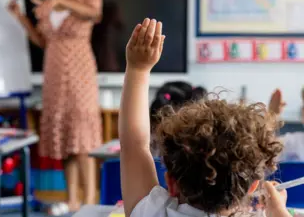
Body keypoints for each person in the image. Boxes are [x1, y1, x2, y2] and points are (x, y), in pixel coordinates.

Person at [119, 18, 288, 217]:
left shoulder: (153, 213)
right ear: (253, 188)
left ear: (171, 184)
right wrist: (279, 212)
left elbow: (134, 145)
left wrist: (138, 69)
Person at [8, 0, 103, 215]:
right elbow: (42, 41)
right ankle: (71, 200)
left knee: (82, 139)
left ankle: (91, 201)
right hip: (54, 72)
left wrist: (60, 1)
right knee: (65, 140)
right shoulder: (47, 5)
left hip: (80, 71)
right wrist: (20, 17)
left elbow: (95, 14)